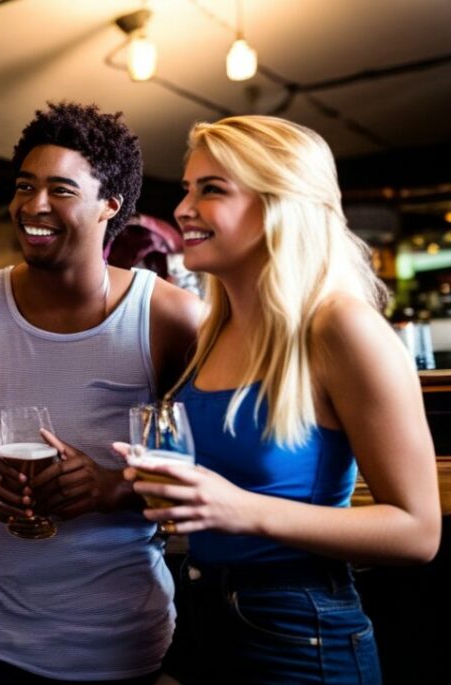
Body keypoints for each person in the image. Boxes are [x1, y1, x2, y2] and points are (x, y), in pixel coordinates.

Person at [122, 114, 441, 684]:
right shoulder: (215, 328)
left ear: (280, 204)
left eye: (212, 189)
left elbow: (417, 533)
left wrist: (241, 509)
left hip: (299, 632)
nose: (183, 208)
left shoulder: (342, 327)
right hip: (198, 618)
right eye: (188, 188)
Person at [0, 101, 201, 683]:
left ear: (110, 206)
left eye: (60, 190)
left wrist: (110, 486)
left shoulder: (169, 317)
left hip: (127, 643)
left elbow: (201, 470)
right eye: (25, 186)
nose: (34, 206)